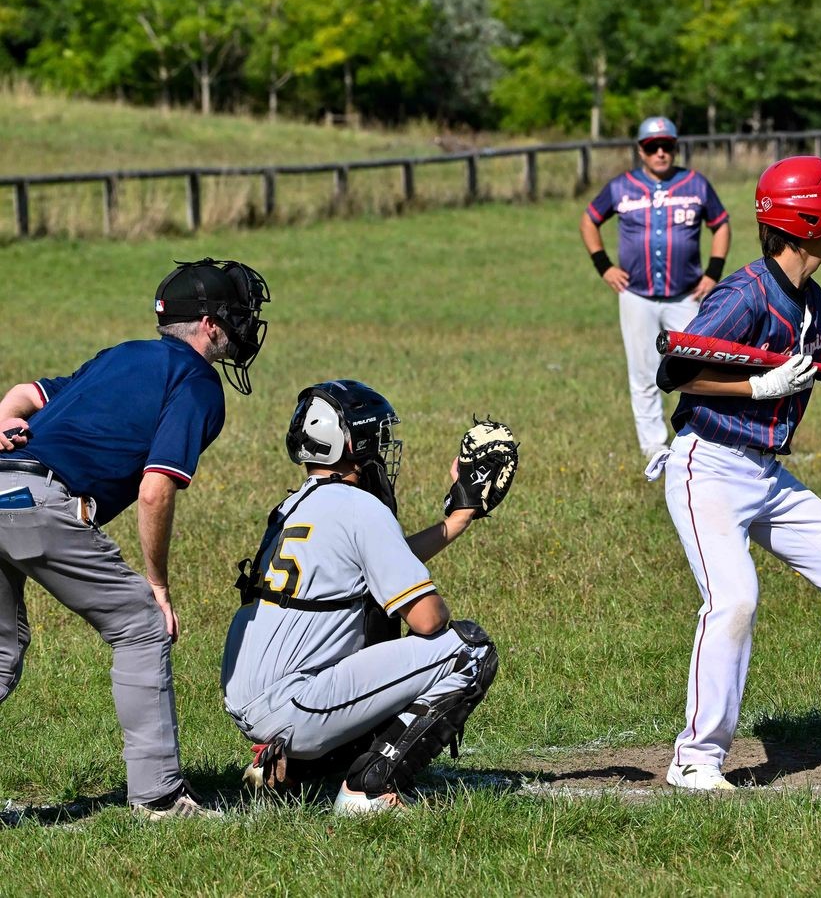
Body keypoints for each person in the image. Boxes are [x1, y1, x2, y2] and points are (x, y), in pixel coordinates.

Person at [651, 156, 821, 791]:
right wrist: (756, 386)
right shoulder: (744, 294)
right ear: (801, 219)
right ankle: (696, 758)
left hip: (764, 472)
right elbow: (675, 372)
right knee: (735, 600)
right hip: (710, 467)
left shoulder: (810, 295)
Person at [0, 258, 270, 819]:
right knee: (141, 625)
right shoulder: (197, 383)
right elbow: (155, 490)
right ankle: (161, 798)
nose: (246, 327)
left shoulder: (123, 354)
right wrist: (158, 586)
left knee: (0, 652)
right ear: (210, 326)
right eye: (237, 315)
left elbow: (25, 393)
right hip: (38, 505)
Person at [221, 381, 506, 815]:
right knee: (469, 650)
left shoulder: (294, 506)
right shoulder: (360, 507)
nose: (383, 449)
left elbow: (375, 563)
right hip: (296, 706)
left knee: (371, 624)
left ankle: (287, 772)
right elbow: (428, 620)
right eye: (377, 438)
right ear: (352, 444)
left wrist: (456, 521)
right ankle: (369, 789)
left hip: (253, 702)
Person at [580, 117, 731, 465]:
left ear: (676, 147)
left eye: (667, 146)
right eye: (652, 147)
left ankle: (699, 436)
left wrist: (713, 273)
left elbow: (720, 224)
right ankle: (654, 446)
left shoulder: (695, 184)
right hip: (638, 295)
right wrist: (604, 266)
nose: (660, 153)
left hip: (686, 296)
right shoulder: (621, 187)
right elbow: (589, 219)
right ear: (640, 150)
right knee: (644, 371)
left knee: (696, 368)